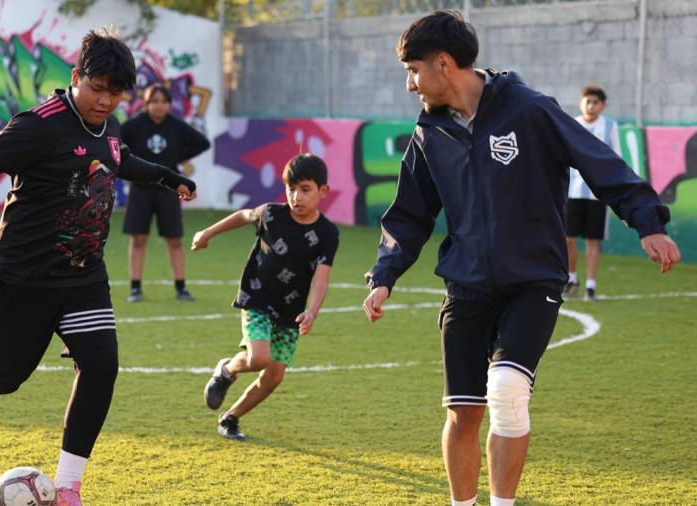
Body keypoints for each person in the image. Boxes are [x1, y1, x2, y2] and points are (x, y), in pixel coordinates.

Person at [361, 11, 680, 506]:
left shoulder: (529, 110)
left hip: (534, 277)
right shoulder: (430, 134)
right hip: (466, 285)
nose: (409, 84)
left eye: (414, 70)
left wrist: (647, 220)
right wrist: (385, 274)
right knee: (463, 412)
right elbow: (408, 215)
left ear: (444, 64)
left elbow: (599, 162)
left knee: (507, 391)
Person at [0, 30, 196, 506]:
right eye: (97, 88)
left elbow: (119, 158)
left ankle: (68, 488)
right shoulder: (39, 125)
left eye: (116, 93)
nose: (106, 100)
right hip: (24, 277)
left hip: (83, 276)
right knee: (5, 376)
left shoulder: (109, 125)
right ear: (76, 77)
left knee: (101, 366)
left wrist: (166, 175)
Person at [195, 154, 339, 441]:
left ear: (323, 191)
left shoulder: (327, 233)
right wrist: (207, 232)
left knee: (274, 376)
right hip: (257, 297)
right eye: (290, 189)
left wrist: (312, 311)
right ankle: (226, 370)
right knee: (259, 357)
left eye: (305, 189)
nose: (296, 197)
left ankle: (230, 418)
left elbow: (322, 277)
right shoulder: (271, 214)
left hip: (291, 309)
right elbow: (242, 215)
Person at [121, 83, 211, 302]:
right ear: (146, 103)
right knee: (138, 239)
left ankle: (181, 287)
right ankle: (135, 288)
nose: (158, 106)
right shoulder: (133, 126)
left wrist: (177, 156)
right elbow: (116, 145)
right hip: (140, 189)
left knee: (175, 239)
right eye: (154, 101)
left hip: (169, 189)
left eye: (163, 102)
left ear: (169, 104)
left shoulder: (177, 126)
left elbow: (202, 142)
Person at [564, 85, 621, 301]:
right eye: (587, 101)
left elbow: (616, 160)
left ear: (603, 106)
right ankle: (571, 279)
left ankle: (590, 286)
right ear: (581, 103)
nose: (591, 105)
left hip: (597, 194)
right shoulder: (572, 124)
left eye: (595, 102)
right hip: (572, 192)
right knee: (568, 238)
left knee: (592, 241)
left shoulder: (609, 127)